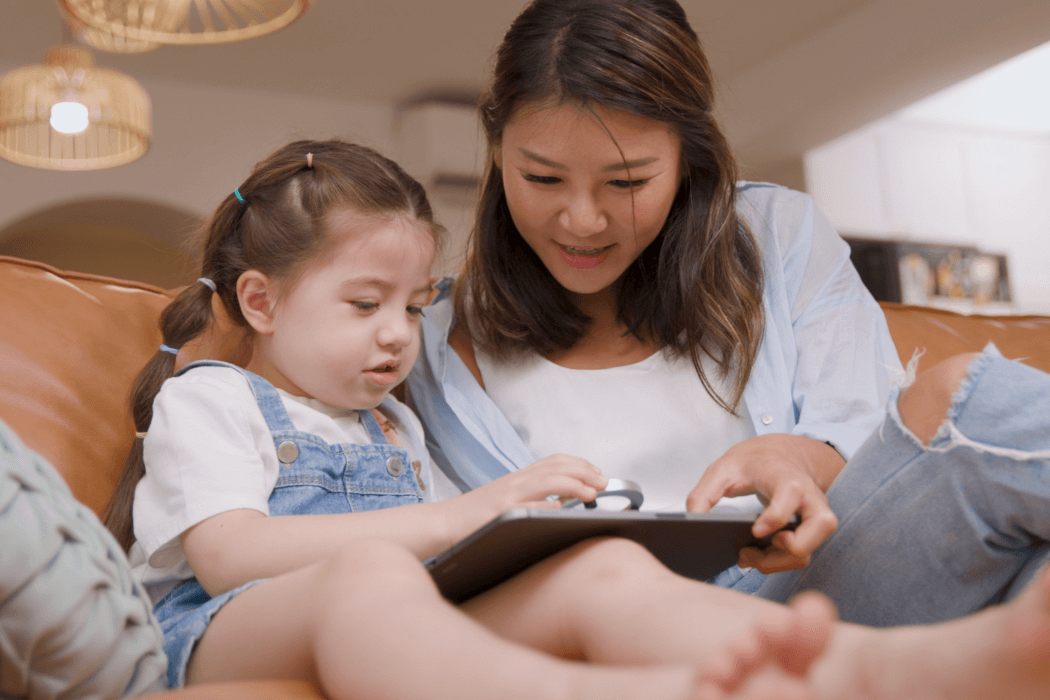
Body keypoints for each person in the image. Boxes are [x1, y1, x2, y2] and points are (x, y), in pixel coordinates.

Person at [103, 137, 845, 700]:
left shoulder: (393, 424)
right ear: (261, 302)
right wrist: (466, 515)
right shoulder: (212, 396)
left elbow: (425, 580)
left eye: (416, 305)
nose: (401, 333)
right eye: (366, 305)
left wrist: (527, 533)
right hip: (216, 635)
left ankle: (840, 670)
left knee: (600, 564)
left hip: (378, 617)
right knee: (367, 570)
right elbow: (231, 557)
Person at [404, 0, 1050, 626]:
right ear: (496, 151)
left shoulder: (777, 234)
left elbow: (871, 445)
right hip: (631, 636)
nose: (583, 220)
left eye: (627, 182)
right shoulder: (421, 340)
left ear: (689, 159)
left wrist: (801, 458)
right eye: (543, 179)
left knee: (986, 457)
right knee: (969, 401)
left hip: (820, 583)